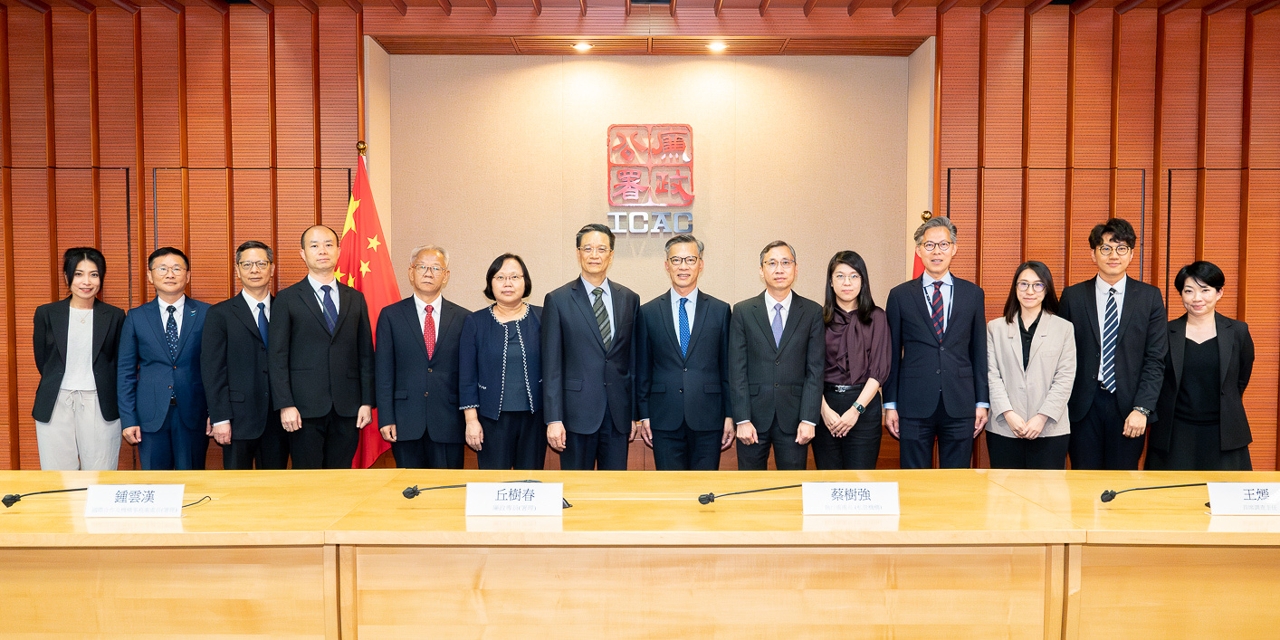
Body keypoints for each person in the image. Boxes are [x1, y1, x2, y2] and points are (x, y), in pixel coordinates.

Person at [1058, 218, 1166, 470]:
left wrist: (1142, 408)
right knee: (1083, 481)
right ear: (1093, 254)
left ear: (1131, 254)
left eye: (1121, 248)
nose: (1113, 255)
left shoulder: (1149, 297)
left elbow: (1155, 359)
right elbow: (1060, 356)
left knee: (1123, 480)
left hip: (1129, 407)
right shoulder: (1073, 296)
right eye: (1105, 248)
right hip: (1082, 407)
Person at [883, 217, 989, 469]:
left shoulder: (973, 294)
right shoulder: (900, 296)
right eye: (929, 245)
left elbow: (979, 352)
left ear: (954, 248)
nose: (936, 251)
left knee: (956, 480)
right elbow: (891, 354)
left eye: (943, 244)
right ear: (919, 250)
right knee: (914, 479)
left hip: (960, 402)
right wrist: (890, 404)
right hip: (913, 403)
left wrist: (982, 402)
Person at [269, 225, 375, 469]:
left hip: (348, 408)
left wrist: (367, 402)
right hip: (303, 409)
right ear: (303, 253)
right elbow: (277, 357)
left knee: (340, 477)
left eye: (328, 245)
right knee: (308, 479)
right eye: (314, 246)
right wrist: (285, 404)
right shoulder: (287, 299)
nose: (322, 251)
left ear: (338, 251)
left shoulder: (355, 298)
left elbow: (365, 354)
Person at [542, 223, 642, 471]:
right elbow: (551, 366)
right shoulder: (558, 300)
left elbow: (632, 362)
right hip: (575, 416)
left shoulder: (629, 298)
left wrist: (633, 414)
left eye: (601, 249)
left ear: (611, 254)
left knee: (614, 487)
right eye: (587, 248)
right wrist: (554, 418)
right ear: (578, 253)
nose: (594, 255)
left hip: (617, 416)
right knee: (576, 487)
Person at [636, 234, 734, 471]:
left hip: (709, 418)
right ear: (666, 265)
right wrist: (644, 415)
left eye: (690, 259)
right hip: (663, 418)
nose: (683, 266)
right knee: (670, 488)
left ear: (701, 264)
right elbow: (642, 370)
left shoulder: (720, 310)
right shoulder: (648, 312)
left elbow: (728, 369)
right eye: (676, 260)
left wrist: (730, 415)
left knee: (705, 487)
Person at [1146, 261, 1254, 471]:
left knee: (1226, 490)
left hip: (1224, 433)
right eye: (1189, 291)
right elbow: (1156, 376)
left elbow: (1241, 378)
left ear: (1219, 293)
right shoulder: (1166, 332)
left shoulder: (1238, 331)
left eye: (1205, 290)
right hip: (1175, 434)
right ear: (1181, 294)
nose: (1197, 298)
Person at [728, 240, 824, 471]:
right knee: (750, 486)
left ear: (796, 269)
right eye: (771, 263)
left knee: (791, 486)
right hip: (752, 419)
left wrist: (808, 418)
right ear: (761, 271)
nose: (779, 269)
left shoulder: (812, 312)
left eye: (785, 263)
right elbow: (737, 369)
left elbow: (815, 369)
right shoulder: (743, 311)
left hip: (795, 420)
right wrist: (742, 419)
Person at [376, 245, 469, 469]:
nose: (428, 273)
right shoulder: (391, 316)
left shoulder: (464, 318)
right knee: (409, 486)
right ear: (411, 272)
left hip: (449, 422)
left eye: (436, 268)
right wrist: (386, 417)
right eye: (422, 267)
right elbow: (383, 371)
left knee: (446, 487)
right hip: (405, 421)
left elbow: (468, 375)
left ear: (446, 275)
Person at [32, 247, 126, 470]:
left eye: (94, 274)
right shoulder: (46, 313)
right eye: (78, 274)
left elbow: (118, 361)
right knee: (57, 473)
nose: (86, 282)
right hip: (56, 401)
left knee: (101, 472)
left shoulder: (114, 315)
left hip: (100, 402)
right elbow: (42, 359)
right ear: (67, 277)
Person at [118, 247, 210, 470]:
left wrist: (215, 414)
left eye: (177, 268)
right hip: (150, 416)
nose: (170, 274)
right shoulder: (136, 317)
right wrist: (129, 419)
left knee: (192, 481)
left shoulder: (207, 313)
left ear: (188, 275)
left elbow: (215, 368)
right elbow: (125, 372)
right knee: (155, 482)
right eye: (162, 269)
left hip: (194, 413)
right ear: (150, 276)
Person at [201, 241, 289, 470]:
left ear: (272, 268)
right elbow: (213, 370)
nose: (254, 270)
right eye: (247, 264)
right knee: (236, 486)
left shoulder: (286, 310)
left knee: (276, 485)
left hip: (278, 419)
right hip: (237, 419)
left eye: (261, 263)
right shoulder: (220, 314)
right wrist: (220, 417)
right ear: (237, 270)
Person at [985, 261, 1076, 469]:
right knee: (1004, 489)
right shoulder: (995, 328)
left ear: (1047, 289)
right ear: (1015, 287)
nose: (1030, 291)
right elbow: (992, 375)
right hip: (1004, 428)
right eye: (1023, 284)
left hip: (1050, 429)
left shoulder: (1064, 329)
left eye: (1038, 285)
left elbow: (1065, 378)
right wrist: (1009, 414)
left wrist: (1041, 418)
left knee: (1047, 489)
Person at [460, 254, 546, 470]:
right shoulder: (475, 321)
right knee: (494, 483)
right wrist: (471, 420)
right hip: (491, 421)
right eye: (500, 277)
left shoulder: (544, 318)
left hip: (535, 420)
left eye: (514, 277)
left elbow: (555, 370)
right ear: (491, 283)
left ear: (525, 281)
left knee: (530, 482)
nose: (508, 283)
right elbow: (467, 376)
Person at [815, 250, 890, 470]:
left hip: (863, 406)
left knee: (861, 479)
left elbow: (879, 369)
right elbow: (810, 369)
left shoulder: (877, 317)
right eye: (840, 276)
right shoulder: (817, 318)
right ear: (831, 281)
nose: (846, 282)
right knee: (828, 480)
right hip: (824, 406)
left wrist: (856, 410)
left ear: (862, 280)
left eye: (854, 276)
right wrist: (823, 410)